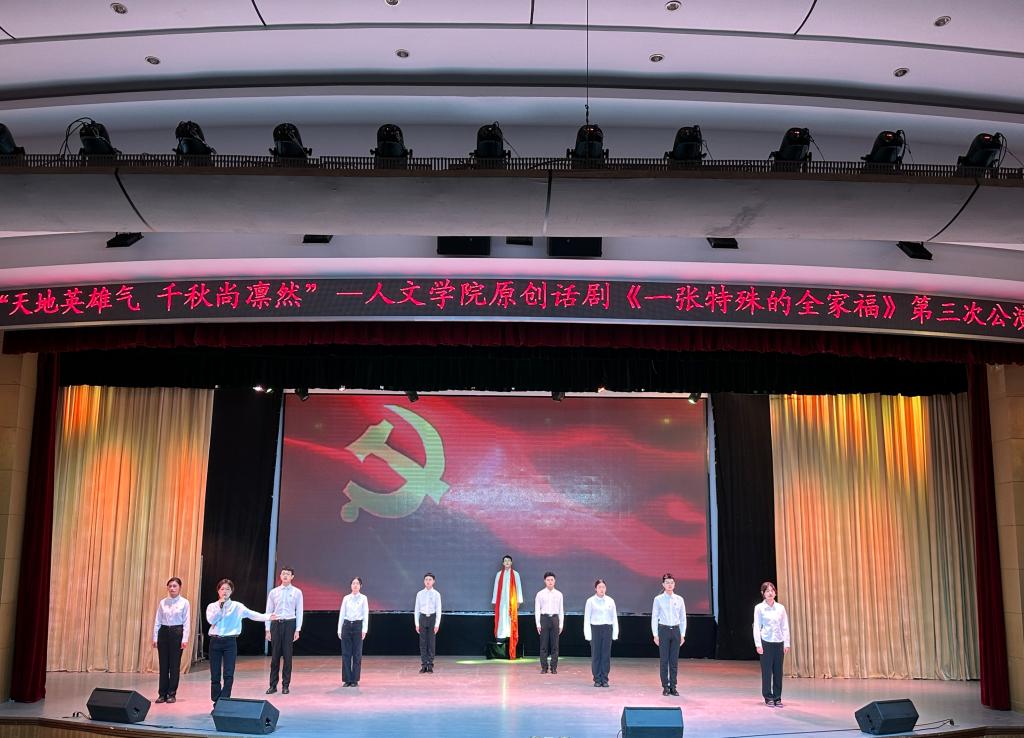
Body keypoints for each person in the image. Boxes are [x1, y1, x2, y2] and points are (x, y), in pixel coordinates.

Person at [206, 579, 274, 707]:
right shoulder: (212, 606)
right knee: (215, 674)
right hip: (215, 641)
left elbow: (252, 614)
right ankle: (216, 700)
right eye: (222, 589)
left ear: (231, 591)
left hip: (230, 642)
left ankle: (223, 701)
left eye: (227, 589)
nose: (225, 591)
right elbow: (211, 620)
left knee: (228, 673)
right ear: (218, 591)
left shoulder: (237, 606)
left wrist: (268, 616)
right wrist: (220, 608)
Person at [265, 566, 304, 695]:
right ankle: (273, 685)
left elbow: (299, 612)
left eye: (288, 574)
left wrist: (297, 629)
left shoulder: (297, 592)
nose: (285, 576)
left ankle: (285, 685)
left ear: (292, 577)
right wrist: (267, 629)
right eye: (283, 574)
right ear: (280, 576)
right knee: (275, 656)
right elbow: (268, 611)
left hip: (289, 624)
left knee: (287, 656)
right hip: (276, 624)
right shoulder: (273, 592)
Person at [152, 577, 190, 704]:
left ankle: (171, 694)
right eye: (170, 586)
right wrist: (155, 637)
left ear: (179, 588)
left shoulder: (184, 602)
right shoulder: (163, 602)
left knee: (174, 665)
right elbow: (157, 620)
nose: (172, 588)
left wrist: (185, 638)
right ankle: (162, 694)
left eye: (175, 586)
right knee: (163, 665)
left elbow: (186, 622)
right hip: (163, 632)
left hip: (177, 632)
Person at [753, 581, 790, 707]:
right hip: (766, 642)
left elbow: (785, 626)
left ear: (775, 593)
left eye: (772, 590)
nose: (770, 593)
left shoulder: (780, 608)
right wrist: (758, 644)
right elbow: (757, 626)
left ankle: (777, 697)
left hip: (779, 642)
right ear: (763, 593)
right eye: (767, 591)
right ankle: (768, 696)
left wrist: (786, 643)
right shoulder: (759, 608)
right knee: (767, 672)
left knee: (778, 672)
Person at [651, 573, 687, 696]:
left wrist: (682, 634)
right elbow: (654, 617)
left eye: (671, 582)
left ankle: (673, 686)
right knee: (664, 660)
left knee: (674, 661)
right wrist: (655, 634)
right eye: (667, 583)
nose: (669, 585)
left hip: (676, 631)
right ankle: (665, 687)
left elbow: (683, 618)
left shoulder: (679, 599)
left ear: (674, 584)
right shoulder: (658, 599)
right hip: (664, 630)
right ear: (663, 584)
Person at [583, 579, 618, 688]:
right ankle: (597, 679)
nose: (601, 589)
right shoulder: (590, 601)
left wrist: (615, 633)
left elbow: (614, 618)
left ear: (605, 588)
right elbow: (587, 618)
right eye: (599, 587)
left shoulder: (610, 601)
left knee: (606, 655)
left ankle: (605, 678)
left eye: (603, 587)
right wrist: (588, 634)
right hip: (595, 629)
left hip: (607, 628)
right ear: (595, 589)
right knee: (596, 655)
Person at [338, 576, 369, 687]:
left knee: (357, 654)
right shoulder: (346, 598)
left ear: (361, 586)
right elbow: (342, 614)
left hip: (358, 626)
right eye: (353, 583)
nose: (355, 585)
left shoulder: (363, 598)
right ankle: (347, 679)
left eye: (357, 583)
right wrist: (339, 629)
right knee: (346, 654)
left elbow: (365, 614)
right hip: (346, 626)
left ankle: (355, 679)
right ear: (350, 585)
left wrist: (364, 629)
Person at [491, 555, 523, 659]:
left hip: (511, 601)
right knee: (502, 618)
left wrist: (519, 601)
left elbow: (518, 587)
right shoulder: (499, 574)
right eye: (505, 561)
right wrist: (494, 600)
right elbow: (496, 587)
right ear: (503, 563)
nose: (507, 562)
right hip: (501, 601)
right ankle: (501, 636)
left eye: (509, 561)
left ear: (511, 563)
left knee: (510, 618)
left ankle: (510, 636)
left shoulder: (516, 574)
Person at [534, 571, 564, 674]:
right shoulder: (540, 594)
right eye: (548, 580)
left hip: (555, 619)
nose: (550, 582)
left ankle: (554, 667)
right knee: (543, 645)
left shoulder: (559, 594)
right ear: (545, 581)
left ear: (555, 581)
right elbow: (537, 610)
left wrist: (561, 624)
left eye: (552, 580)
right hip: (544, 619)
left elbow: (561, 610)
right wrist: (538, 623)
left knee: (555, 645)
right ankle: (544, 667)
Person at [414, 573, 442, 673]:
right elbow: (416, 609)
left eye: (430, 579)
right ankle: (424, 664)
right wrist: (417, 623)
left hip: (432, 618)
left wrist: (437, 624)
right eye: (426, 579)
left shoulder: (436, 594)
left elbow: (438, 610)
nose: (428, 581)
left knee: (431, 642)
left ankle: (430, 664)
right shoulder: (419, 594)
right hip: (422, 618)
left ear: (433, 581)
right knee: (422, 643)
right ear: (424, 581)